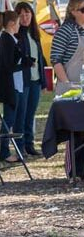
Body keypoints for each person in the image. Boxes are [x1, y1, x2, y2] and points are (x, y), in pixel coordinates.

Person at [51, 0, 84, 179]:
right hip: (70, 86)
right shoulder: (65, 31)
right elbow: (56, 60)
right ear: (72, 12)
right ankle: (73, 171)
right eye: (83, 9)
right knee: (74, 130)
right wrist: (66, 84)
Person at [15, 2, 47, 156]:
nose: (24, 17)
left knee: (30, 115)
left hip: (35, 80)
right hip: (23, 81)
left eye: (27, 13)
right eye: (21, 15)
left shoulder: (34, 33)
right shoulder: (16, 35)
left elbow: (40, 58)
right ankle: (19, 147)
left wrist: (44, 81)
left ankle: (29, 145)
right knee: (20, 115)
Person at [0, 11, 29, 163]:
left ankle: (12, 149)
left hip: (16, 84)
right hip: (10, 86)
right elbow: (8, 65)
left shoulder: (11, 39)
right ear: (12, 24)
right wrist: (24, 64)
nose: (19, 26)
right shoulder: (6, 39)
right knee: (8, 119)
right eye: (18, 23)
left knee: (14, 118)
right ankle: (3, 151)